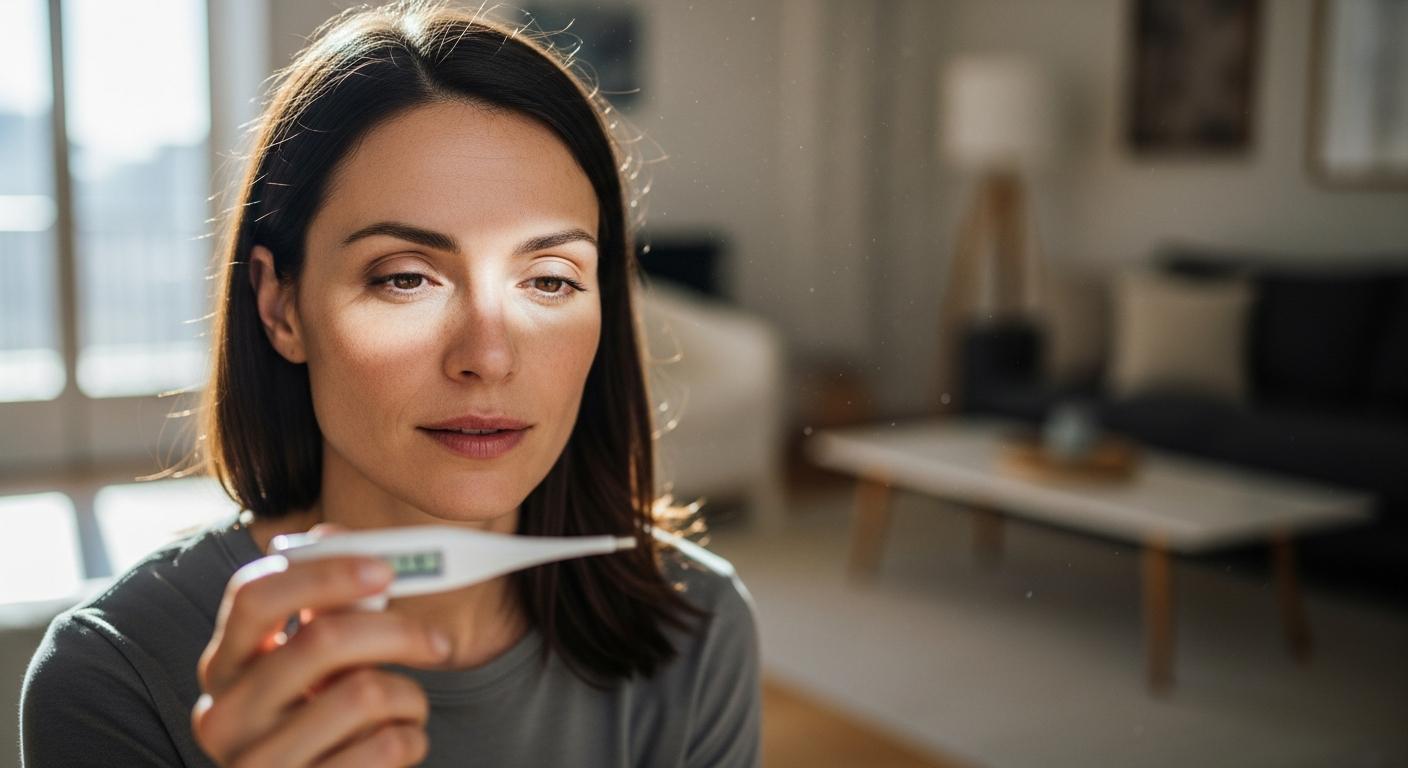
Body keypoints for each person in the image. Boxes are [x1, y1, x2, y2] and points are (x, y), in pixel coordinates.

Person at [19, 3, 762, 766]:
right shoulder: (113, 676)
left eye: (549, 280)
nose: (489, 357)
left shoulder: (697, 627)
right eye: (405, 277)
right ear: (280, 306)